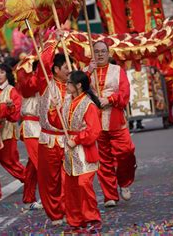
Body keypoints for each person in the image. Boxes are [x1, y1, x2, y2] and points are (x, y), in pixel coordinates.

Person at [48, 71, 102, 233]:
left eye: (69, 83)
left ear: (78, 85)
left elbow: (94, 131)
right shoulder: (67, 101)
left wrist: (77, 139)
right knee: (69, 186)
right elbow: (59, 123)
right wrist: (54, 108)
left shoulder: (88, 104)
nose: (66, 85)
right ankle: (76, 220)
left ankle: (92, 218)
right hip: (69, 151)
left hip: (84, 150)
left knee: (83, 184)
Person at [87, 41, 136, 207]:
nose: (100, 54)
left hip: (115, 118)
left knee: (126, 152)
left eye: (103, 51)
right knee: (103, 160)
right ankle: (110, 195)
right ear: (92, 54)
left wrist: (110, 99)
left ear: (108, 53)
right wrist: (88, 72)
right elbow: (77, 89)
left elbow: (125, 92)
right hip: (96, 120)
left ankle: (124, 181)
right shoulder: (88, 71)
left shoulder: (117, 70)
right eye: (96, 52)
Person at [35, 33, 73, 226]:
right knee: (50, 179)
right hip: (49, 139)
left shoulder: (75, 85)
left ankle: (69, 210)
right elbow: (43, 61)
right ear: (56, 69)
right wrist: (53, 41)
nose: (70, 70)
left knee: (71, 177)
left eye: (71, 67)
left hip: (69, 139)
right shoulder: (45, 84)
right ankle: (55, 213)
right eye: (66, 67)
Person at [0, 63, 26, 183]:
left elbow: (15, 113)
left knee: (9, 159)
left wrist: (10, 107)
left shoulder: (11, 90)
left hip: (7, 130)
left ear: (7, 74)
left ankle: (27, 178)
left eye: (2, 72)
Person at [16, 60, 42, 210]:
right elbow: (28, 89)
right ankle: (48, 198)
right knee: (40, 163)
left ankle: (28, 197)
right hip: (31, 126)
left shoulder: (50, 82)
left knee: (33, 165)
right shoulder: (28, 82)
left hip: (45, 126)